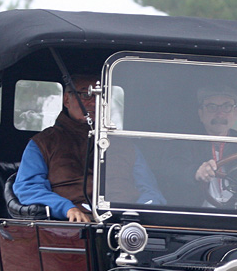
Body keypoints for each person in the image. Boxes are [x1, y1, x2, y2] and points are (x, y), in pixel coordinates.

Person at [13, 75, 164, 220]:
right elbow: (28, 187)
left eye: (100, 96)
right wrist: (66, 208)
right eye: (86, 95)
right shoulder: (43, 143)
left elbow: (150, 191)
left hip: (127, 227)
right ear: (67, 99)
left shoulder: (126, 145)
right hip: (69, 228)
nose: (93, 102)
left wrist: (138, 215)